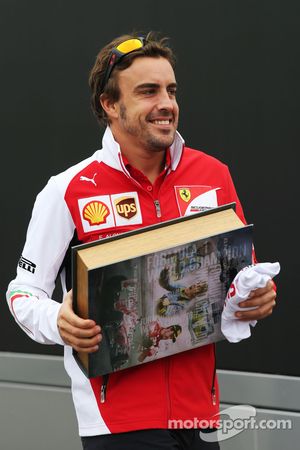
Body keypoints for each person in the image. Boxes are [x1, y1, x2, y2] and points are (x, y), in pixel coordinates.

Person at [6, 32, 277, 450]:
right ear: (110, 105)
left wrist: (254, 298)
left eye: (171, 90)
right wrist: (57, 322)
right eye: (148, 91)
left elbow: (240, 280)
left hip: (200, 416)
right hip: (116, 423)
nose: (166, 103)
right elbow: (23, 293)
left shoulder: (213, 175)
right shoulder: (68, 189)